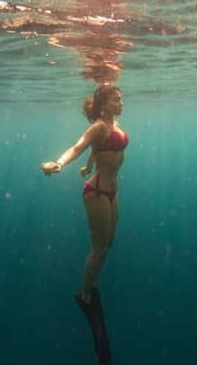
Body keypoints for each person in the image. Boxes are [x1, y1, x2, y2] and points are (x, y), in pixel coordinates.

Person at [41, 84, 128, 304]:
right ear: (103, 105)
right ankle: (86, 294)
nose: (121, 102)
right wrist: (59, 163)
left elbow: (98, 150)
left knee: (108, 244)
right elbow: (78, 147)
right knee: (99, 247)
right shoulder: (99, 127)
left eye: (121, 98)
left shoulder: (114, 124)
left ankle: (93, 281)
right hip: (97, 191)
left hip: (112, 191)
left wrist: (89, 165)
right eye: (116, 99)